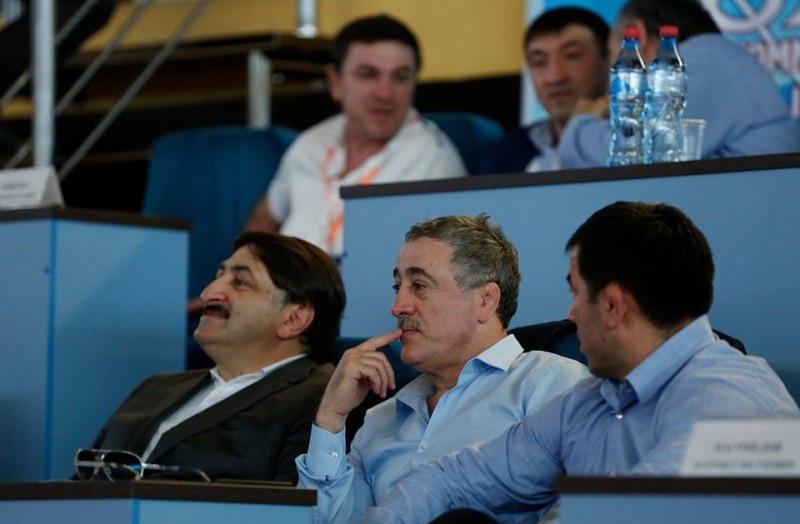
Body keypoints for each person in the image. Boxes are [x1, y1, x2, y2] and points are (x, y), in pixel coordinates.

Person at [363, 201, 800, 523]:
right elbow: (455, 479)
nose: (569, 314)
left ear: (612, 306)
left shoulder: (734, 395)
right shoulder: (589, 401)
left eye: (575, 293)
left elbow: (638, 512)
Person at [295, 214, 589, 523]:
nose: (398, 307)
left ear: (486, 300)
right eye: (398, 287)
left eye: (419, 286)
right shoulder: (380, 419)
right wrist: (331, 418)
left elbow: (580, 513)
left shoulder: (551, 384)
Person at [85, 232, 344, 483]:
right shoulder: (154, 388)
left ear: (293, 319)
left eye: (240, 282)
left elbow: (300, 502)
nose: (208, 293)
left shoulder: (324, 399)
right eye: (218, 276)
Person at [245, 15, 466, 259]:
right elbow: (265, 215)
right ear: (335, 82)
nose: (384, 93)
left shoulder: (433, 159)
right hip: (287, 281)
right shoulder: (310, 143)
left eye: (400, 77)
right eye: (368, 74)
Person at [559, 0, 800, 168]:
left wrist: (579, 125)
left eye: (615, 54)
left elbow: (635, 152)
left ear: (637, 37)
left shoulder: (704, 59)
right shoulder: (715, 58)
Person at [477, 7, 610, 174]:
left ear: (609, 59)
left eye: (572, 55)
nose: (554, 77)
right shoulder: (502, 155)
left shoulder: (632, 145)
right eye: (539, 62)